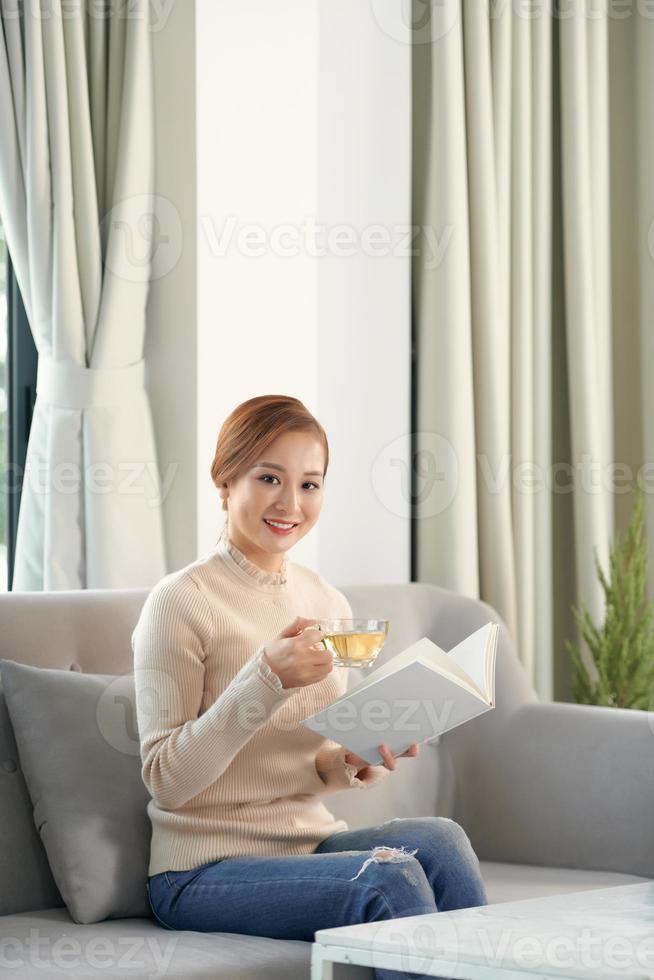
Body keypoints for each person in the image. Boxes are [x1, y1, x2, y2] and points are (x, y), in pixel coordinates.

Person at [133, 394, 488, 980]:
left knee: (441, 842)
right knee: (387, 878)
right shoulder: (179, 602)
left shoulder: (326, 602)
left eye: (310, 484)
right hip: (199, 871)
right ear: (224, 484)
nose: (290, 503)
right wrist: (265, 681)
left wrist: (354, 755)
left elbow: (313, 767)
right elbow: (167, 782)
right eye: (268, 477)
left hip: (305, 845)